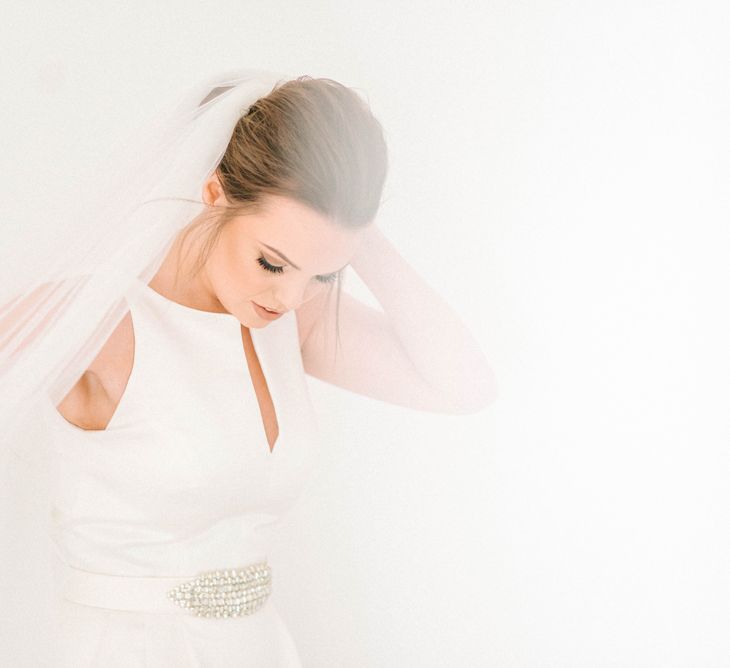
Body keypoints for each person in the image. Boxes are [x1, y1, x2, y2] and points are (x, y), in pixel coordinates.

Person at [0, 69, 497, 665]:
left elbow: (463, 386)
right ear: (214, 192)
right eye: (271, 262)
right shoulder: (101, 322)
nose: (290, 297)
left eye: (322, 275)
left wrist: (351, 227)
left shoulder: (290, 320)